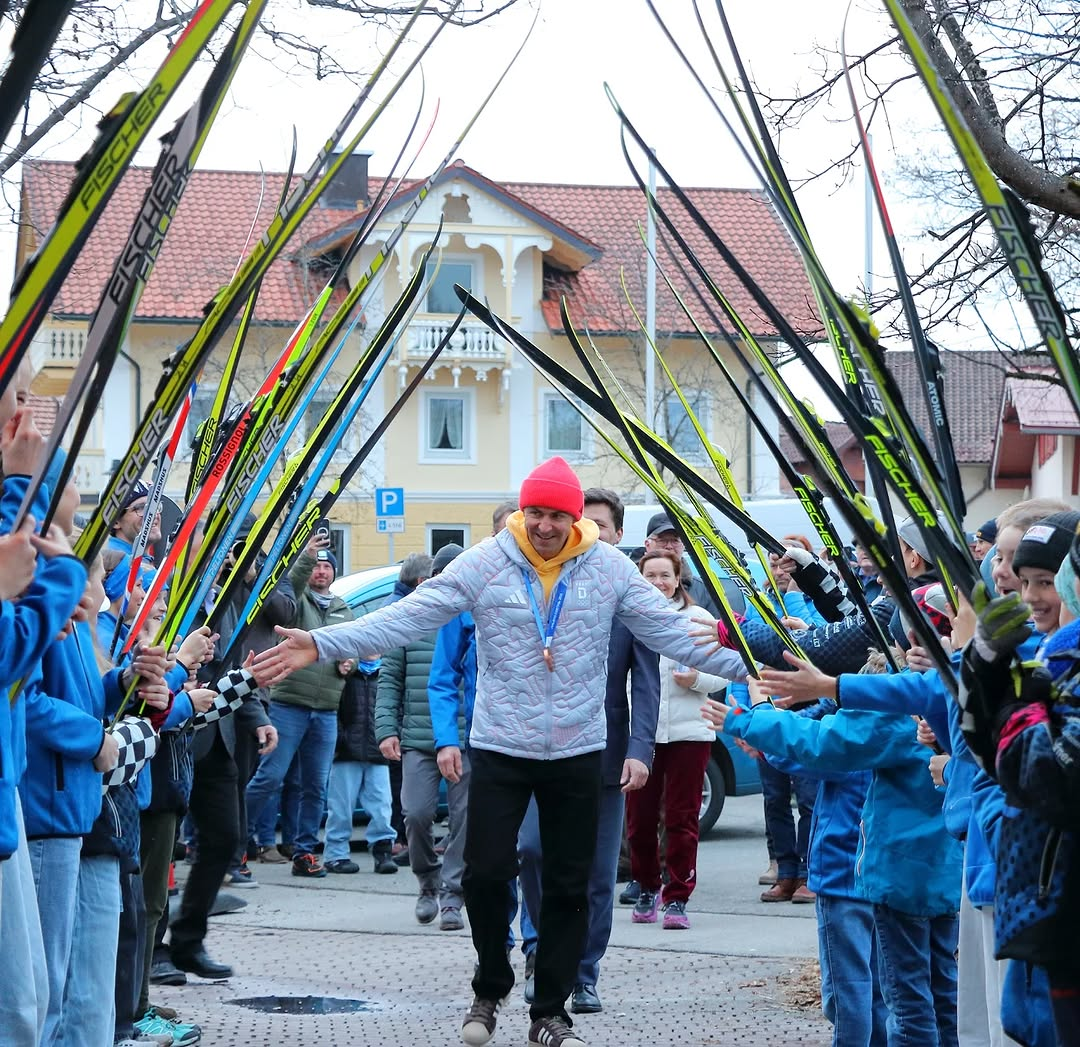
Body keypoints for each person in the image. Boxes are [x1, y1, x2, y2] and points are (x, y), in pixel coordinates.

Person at [253, 457, 748, 1047]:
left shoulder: (610, 569)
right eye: (535, 513)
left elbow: (673, 635)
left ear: (574, 518)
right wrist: (322, 642)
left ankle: (550, 1011)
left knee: (569, 885)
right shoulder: (487, 561)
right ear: (522, 511)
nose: (544, 525)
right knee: (486, 874)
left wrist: (762, 668)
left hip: (576, 749)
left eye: (556, 516)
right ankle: (490, 985)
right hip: (500, 747)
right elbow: (408, 616)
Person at [514, 487, 659, 1013]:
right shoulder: (541, 582)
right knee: (533, 851)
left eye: (600, 527)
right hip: (539, 752)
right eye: (583, 525)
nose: (588, 535)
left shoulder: (629, 594)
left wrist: (639, 749)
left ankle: (583, 971)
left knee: (597, 874)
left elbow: (646, 682)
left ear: (618, 534)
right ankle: (539, 950)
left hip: (603, 759)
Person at [244, 540, 352, 879]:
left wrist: (349, 662)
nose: (321, 571)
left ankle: (304, 852)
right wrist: (305, 557)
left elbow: (351, 645)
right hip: (288, 704)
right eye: (316, 566)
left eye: (327, 566)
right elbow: (293, 583)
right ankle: (235, 841)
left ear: (335, 573)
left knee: (315, 786)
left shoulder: (342, 608)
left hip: (326, 710)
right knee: (270, 777)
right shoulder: (299, 600)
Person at [627, 550, 721, 931]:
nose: (658, 583)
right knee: (639, 818)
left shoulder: (698, 619)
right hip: (643, 736)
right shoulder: (629, 618)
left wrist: (696, 679)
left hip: (689, 732)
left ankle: (678, 895)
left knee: (682, 817)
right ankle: (647, 886)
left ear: (678, 578)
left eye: (664, 575)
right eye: (650, 576)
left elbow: (723, 672)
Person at [378, 546, 468, 923]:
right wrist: (386, 729)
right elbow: (389, 679)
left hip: (465, 739)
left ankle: (452, 894)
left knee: (464, 819)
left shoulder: (474, 617)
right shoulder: (410, 618)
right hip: (417, 738)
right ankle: (427, 881)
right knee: (415, 814)